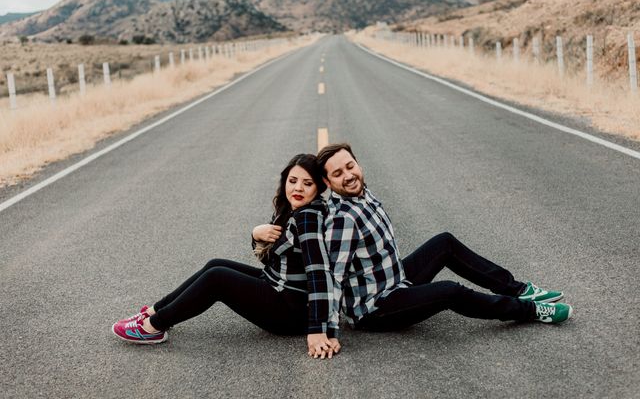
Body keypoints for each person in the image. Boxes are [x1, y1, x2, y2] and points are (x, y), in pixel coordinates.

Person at [316, 143, 573, 336]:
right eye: (337, 174)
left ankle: (519, 290)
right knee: (449, 291)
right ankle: (528, 311)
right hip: (375, 308)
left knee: (444, 243)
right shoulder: (342, 221)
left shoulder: (362, 193)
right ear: (327, 182)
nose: (348, 175)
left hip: (395, 280)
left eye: (350, 166)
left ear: (358, 164)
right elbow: (332, 277)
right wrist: (323, 329)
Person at [112, 153, 340, 359]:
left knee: (218, 279)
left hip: (292, 311)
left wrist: (317, 329)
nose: (297, 188)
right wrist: (256, 235)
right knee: (215, 264)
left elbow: (319, 272)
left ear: (318, 188)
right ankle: (154, 311)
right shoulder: (294, 210)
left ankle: (152, 327)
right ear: (285, 181)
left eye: (307, 183)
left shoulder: (308, 218)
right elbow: (271, 260)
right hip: (278, 286)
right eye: (293, 181)